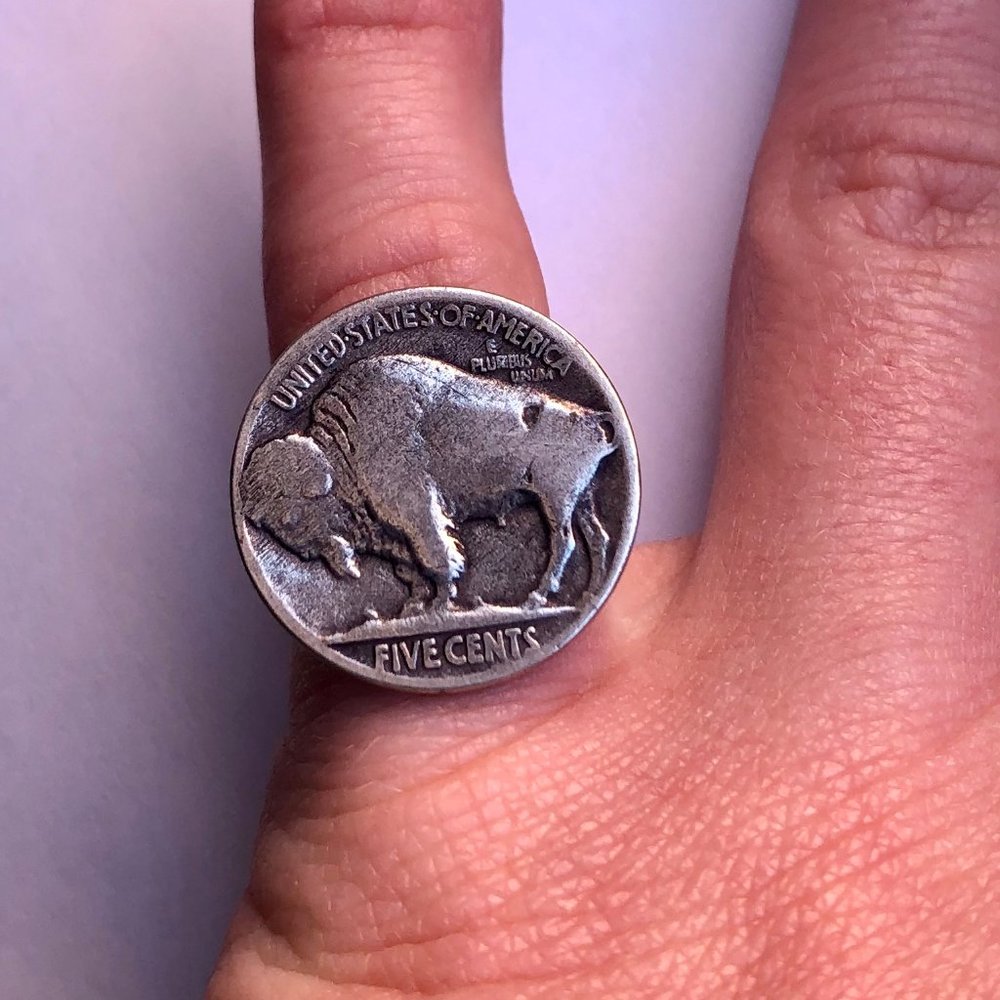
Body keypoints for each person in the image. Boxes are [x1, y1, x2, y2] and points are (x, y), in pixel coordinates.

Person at [207, 1, 1000, 996]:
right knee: (563, 520)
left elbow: (405, 510)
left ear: (315, 482)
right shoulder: (357, 429)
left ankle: (471, 582)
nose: (308, 540)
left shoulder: (373, 432)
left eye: (301, 523)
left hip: (534, 444)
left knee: (551, 516)